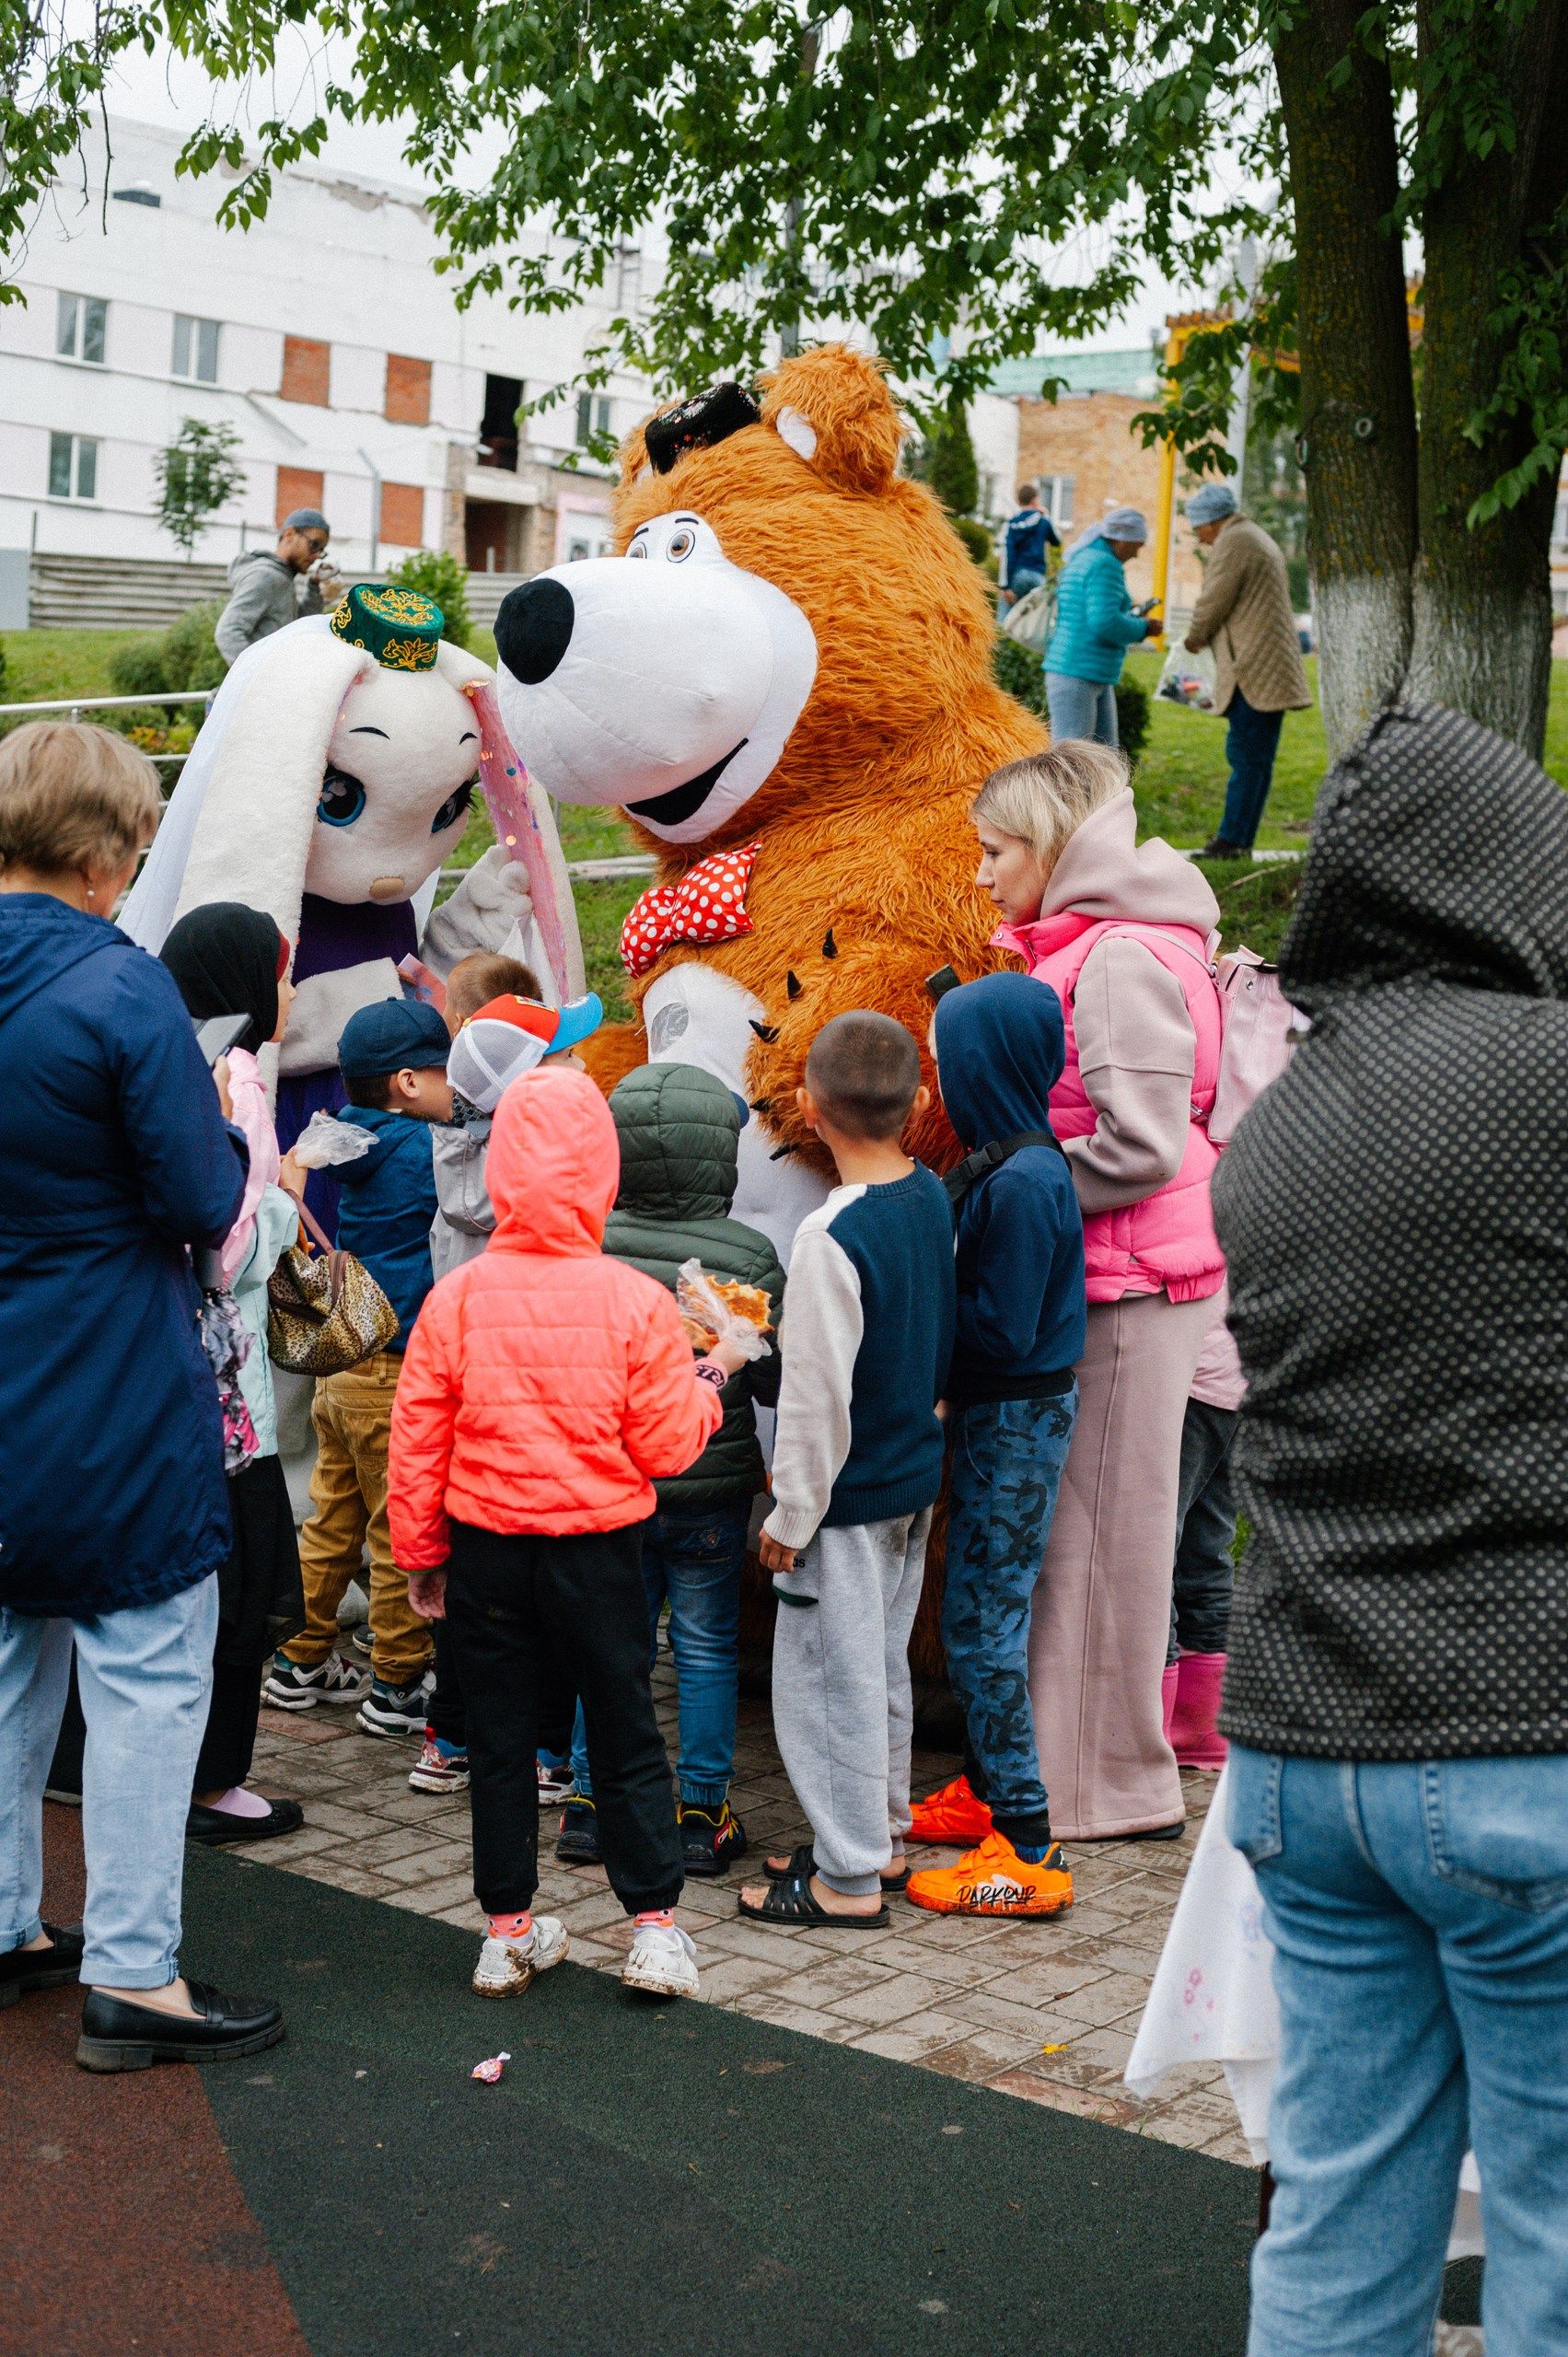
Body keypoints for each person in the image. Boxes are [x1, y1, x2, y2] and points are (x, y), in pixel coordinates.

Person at [1215, 702, 1568, 2357]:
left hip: (1303, 1752)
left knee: (1340, 2207)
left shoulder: (1275, 1126)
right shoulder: (1545, 1077)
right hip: (1522, 1741)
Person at [0, 720, 282, 2069]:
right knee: (148, 1665)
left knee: (6, 1666)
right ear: (113, 858)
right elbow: (199, 1198)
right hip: (106, 1369)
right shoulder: (122, 997)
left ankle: (6, 1923)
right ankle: (131, 1971)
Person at [388, 1064, 751, 2003]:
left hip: (487, 1548)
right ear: (602, 1171)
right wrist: (713, 1375)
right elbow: (666, 1445)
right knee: (626, 1728)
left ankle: (506, 1929)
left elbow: (418, 1437)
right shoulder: (632, 1301)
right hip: (599, 1552)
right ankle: (654, 1932)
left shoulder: (458, 1297)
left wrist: (423, 1555)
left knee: (501, 1737)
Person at [970, 740, 1225, 1841]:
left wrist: (1010, 1188)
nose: (981, 875)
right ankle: (1077, 1772)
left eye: (994, 850)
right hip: (1118, 1276)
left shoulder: (1115, 959)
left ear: (1052, 844)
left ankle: (1098, 1790)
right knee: (1090, 1538)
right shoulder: (1104, 947)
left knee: (1098, 1545)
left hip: (1130, 1285)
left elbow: (1141, 1143)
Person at [738, 1013, 955, 1930]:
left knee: (829, 1679)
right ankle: (877, 1832)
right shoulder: (928, 1197)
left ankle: (847, 1878)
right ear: (917, 1101)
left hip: (846, 1497)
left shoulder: (829, 1238)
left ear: (805, 1107)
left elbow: (816, 1400)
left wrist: (789, 1516)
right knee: (879, 1666)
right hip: (911, 1476)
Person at [558, 1063, 785, 1877]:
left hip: (611, 1486)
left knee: (608, 1646)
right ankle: (701, 1813)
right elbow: (768, 1379)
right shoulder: (748, 1255)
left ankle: (588, 1806)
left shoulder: (586, 1242)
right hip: (710, 1490)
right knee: (705, 1646)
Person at [904, 975, 1085, 1918]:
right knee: (975, 1607)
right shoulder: (1005, 1164)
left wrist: (919, 1341)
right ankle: (981, 1791)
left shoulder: (1020, 1183)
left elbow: (1003, 1329)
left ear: (986, 1063)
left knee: (981, 1624)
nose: (939, 1070)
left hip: (1011, 1424)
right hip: (995, 1419)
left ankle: (1025, 1841)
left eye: (949, 1053)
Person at [412, 987, 601, 1798]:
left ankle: (449, 1738)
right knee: (549, 1593)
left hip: (469, 1418)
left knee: (466, 1587)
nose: (581, 1064)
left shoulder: (452, 1149)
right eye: (562, 1056)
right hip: (531, 1413)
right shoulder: (534, 1191)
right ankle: (548, 1748)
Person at [160, 902, 308, 1843]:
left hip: (165, 1374)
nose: (286, 991)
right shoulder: (237, 1076)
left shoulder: (160, 1056)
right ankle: (214, 1782)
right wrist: (289, 1200)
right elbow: (230, 1244)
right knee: (244, 1587)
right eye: (279, 973)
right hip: (232, 1390)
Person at [264, 998, 451, 1737]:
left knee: (330, 1519)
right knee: (398, 1531)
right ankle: (398, 1684)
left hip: (341, 1370)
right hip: (394, 1373)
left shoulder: (349, 1138)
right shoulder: (421, 1151)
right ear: (408, 1080)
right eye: (443, 1072)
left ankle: (300, 1657)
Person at [1181, 482, 1311, 856]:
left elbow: (1213, 599)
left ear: (1211, 522)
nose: (1200, 540)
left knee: (1245, 756)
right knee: (1256, 759)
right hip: (1267, 665)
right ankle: (1239, 840)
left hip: (1254, 670)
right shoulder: (1252, 535)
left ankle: (1231, 841)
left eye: (1198, 530)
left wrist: (1194, 638)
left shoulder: (1234, 541)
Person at [1160, 1293, 1242, 1773]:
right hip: (1237, 1375)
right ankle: (1203, 1727)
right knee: (1207, 1548)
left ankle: (1157, 1719)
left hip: (1195, 1375)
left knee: (1154, 1548)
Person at [1042, 506, 1158, 746]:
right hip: (1079, 671)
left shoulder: (1083, 557)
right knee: (1075, 761)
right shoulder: (1106, 564)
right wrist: (1143, 628)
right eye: (1137, 544)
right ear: (1121, 539)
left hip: (1084, 670)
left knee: (1103, 757)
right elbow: (1104, 622)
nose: (1137, 554)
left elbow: (1092, 613)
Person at [214, 509, 335, 667]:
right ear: (290, 534)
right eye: (314, 545)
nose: (317, 555)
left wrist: (314, 585)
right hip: (260, 688)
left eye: (321, 550)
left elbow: (299, 625)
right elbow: (228, 632)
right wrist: (259, 676)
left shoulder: (282, 577)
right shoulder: (265, 577)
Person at [999, 482, 1060, 608]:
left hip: (1018, 575)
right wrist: (1047, 516)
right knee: (1034, 622)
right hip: (1038, 577)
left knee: (1006, 620)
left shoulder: (1012, 524)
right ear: (1034, 500)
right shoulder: (1044, 521)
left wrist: (1006, 587)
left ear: (1019, 500)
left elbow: (1007, 554)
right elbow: (1057, 541)